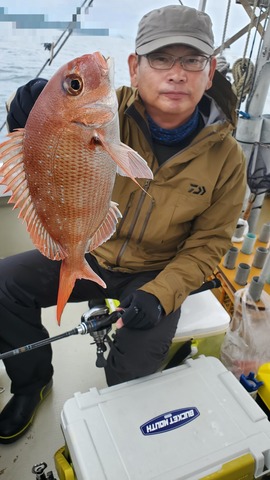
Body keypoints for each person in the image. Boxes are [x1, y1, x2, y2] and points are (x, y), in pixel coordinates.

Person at [0, 4, 246, 444]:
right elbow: (43, 151)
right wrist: (30, 114)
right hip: (89, 249)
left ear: (209, 73)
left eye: (192, 60)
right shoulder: (105, 112)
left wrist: (159, 294)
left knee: (130, 373)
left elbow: (208, 246)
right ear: (134, 68)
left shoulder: (228, 160)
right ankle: (31, 383)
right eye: (160, 58)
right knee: (3, 284)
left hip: (153, 274)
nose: (177, 73)